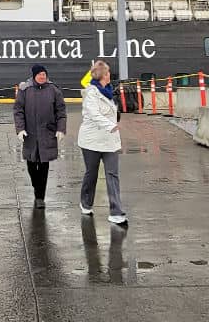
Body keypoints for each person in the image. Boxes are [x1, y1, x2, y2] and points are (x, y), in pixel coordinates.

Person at [78, 60, 127, 226]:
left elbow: (111, 112)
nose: (109, 75)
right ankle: (86, 203)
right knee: (91, 174)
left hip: (110, 142)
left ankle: (116, 212)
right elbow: (94, 114)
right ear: (102, 75)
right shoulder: (91, 93)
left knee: (112, 175)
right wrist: (111, 126)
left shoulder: (109, 92)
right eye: (107, 73)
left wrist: (115, 119)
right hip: (91, 141)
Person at [14, 64, 67, 209]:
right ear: (34, 76)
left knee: (44, 165)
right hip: (30, 134)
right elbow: (18, 110)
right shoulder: (25, 90)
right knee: (31, 164)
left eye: (44, 74)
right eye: (40, 74)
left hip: (47, 133)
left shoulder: (54, 90)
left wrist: (61, 129)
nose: (43, 76)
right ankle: (36, 186)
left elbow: (61, 111)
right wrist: (20, 129)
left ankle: (40, 197)